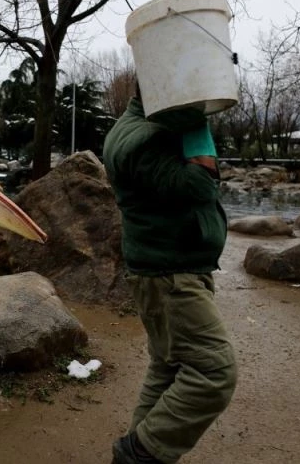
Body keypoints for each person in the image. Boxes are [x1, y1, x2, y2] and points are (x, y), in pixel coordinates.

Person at [102, 88, 238, 464]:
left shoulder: (150, 124)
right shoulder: (142, 138)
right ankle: (138, 455)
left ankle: (136, 455)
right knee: (214, 371)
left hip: (171, 269)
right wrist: (197, 122)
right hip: (171, 276)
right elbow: (200, 184)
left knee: (168, 366)